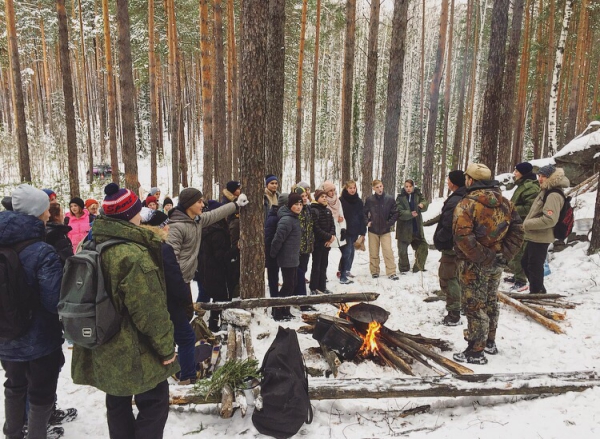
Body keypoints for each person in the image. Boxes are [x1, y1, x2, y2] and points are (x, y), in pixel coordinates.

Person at [71, 183, 178, 439]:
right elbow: (149, 313)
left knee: (117, 400)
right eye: (139, 209)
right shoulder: (132, 255)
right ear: (131, 214)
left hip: (103, 342)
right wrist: (166, 348)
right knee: (154, 401)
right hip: (136, 349)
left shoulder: (92, 243)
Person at [1, 184, 65, 439]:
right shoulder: (42, 251)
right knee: (41, 392)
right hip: (39, 338)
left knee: (14, 386)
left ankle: (12, 434)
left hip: (5, 333)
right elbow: (53, 301)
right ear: (37, 212)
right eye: (46, 209)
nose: (49, 214)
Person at [452, 163, 524, 365]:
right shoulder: (505, 203)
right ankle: (490, 342)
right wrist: (503, 254)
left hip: (474, 264)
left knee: (474, 305)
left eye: (467, 177)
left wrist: (485, 257)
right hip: (495, 262)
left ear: (470, 180)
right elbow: (518, 231)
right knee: (491, 301)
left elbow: (462, 237)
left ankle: (476, 351)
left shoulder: (467, 204)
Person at [140, 208, 198, 385]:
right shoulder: (163, 249)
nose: (169, 229)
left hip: (149, 302)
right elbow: (174, 279)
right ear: (159, 227)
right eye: (166, 226)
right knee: (186, 337)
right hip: (169, 303)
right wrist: (185, 302)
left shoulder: (141, 246)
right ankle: (187, 376)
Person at [522, 165, 569, 295]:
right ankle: (539, 289)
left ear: (551, 177)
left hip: (542, 235)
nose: (540, 179)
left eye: (543, 176)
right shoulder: (546, 190)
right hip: (536, 234)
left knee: (534, 266)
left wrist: (527, 224)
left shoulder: (553, 194)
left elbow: (550, 219)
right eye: (539, 176)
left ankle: (536, 293)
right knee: (526, 263)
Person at [433, 170, 467, 326]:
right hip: (462, 244)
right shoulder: (464, 196)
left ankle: (454, 314)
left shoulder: (455, 201)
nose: (447, 182)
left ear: (453, 182)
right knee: (459, 276)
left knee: (448, 277)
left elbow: (447, 224)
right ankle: (462, 306)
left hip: (452, 245)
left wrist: (440, 238)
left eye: (448, 180)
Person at [196, 201, 235, 331]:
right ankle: (213, 324)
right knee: (221, 299)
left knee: (209, 297)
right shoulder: (218, 232)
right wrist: (235, 250)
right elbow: (221, 256)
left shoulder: (205, 228)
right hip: (217, 272)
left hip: (206, 270)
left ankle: (201, 321)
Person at [503, 162, 540, 291]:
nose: (514, 173)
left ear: (523, 173)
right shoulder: (523, 185)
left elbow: (530, 207)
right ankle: (517, 275)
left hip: (525, 224)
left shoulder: (530, 187)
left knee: (519, 252)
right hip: (519, 223)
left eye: (517, 171)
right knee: (516, 250)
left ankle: (521, 280)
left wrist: (512, 209)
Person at [270, 193, 303, 320]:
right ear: (290, 206)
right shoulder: (287, 219)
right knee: (288, 285)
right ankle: (277, 311)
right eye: (296, 204)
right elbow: (278, 239)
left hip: (293, 257)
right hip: (286, 258)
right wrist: (273, 254)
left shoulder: (294, 218)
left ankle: (286, 310)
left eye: (300, 204)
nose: (299, 207)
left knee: (292, 284)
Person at [364, 179, 399, 280]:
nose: (379, 189)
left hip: (385, 230)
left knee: (388, 251)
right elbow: (364, 212)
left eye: (380, 186)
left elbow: (395, 213)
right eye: (377, 187)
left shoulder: (390, 199)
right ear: (373, 189)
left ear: (383, 186)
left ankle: (391, 272)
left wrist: (389, 223)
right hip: (373, 230)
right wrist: (367, 222)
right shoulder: (370, 199)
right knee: (373, 252)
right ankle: (374, 271)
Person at [396, 179, 429, 273]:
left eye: (410, 186)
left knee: (423, 247)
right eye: (406, 186)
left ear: (413, 187)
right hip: (404, 229)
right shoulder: (400, 197)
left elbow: (425, 202)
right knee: (402, 251)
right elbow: (399, 211)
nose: (408, 188)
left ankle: (418, 267)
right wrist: (410, 214)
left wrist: (423, 205)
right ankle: (404, 269)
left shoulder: (418, 195)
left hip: (416, 228)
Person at [338, 180, 366, 284]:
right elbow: (337, 214)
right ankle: (342, 274)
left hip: (355, 230)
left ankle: (346, 270)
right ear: (346, 189)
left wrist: (363, 232)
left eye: (354, 188)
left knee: (352, 251)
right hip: (344, 230)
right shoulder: (341, 200)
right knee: (347, 251)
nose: (352, 190)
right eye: (350, 188)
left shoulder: (358, 201)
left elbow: (362, 216)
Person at [310, 190, 336, 294]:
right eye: (322, 197)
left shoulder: (328, 210)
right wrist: (328, 236)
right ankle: (313, 287)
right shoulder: (314, 210)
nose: (324, 198)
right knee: (316, 265)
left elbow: (332, 225)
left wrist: (331, 237)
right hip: (318, 243)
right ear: (316, 198)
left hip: (327, 243)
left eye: (325, 196)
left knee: (324, 265)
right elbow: (316, 227)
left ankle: (322, 286)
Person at [265, 194, 287, 304]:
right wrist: (272, 252)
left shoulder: (281, 215)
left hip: (280, 252)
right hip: (272, 252)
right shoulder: (274, 217)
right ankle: (274, 301)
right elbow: (269, 237)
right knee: (273, 278)